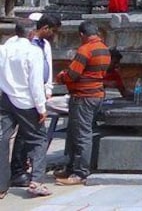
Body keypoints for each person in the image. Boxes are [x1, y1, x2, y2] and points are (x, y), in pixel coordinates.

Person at [54, 20, 110, 186]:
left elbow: (72, 74)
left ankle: (81, 173)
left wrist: (62, 76)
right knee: (75, 133)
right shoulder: (105, 49)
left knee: (82, 135)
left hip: (83, 97)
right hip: (96, 94)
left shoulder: (85, 49)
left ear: (82, 35)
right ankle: (71, 167)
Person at [9, 12, 61, 188]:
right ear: (43, 28)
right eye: (52, 30)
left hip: (35, 93)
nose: (53, 35)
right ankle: (21, 171)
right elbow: (31, 78)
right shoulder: (21, 46)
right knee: (30, 136)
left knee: (26, 135)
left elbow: (48, 66)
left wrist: (48, 88)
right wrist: (40, 106)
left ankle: (23, 169)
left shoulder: (44, 45)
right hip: (23, 95)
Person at [0, 21, 51, 198]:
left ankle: (1, 185)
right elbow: (35, 83)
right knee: (38, 138)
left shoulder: (4, 49)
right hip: (27, 101)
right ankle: (36, 181)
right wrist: (41, 107)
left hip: (6, 98)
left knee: (3, 139)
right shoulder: (33, 51)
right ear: (32, 34)